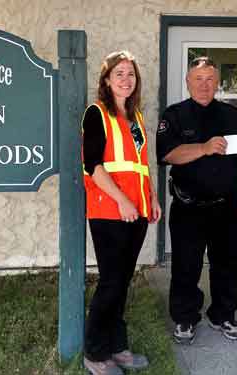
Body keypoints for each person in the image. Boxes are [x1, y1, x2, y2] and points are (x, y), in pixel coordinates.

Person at [157, 57, 237, 344]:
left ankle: (223, 314)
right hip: (188, 207)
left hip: (227, 206)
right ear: (188, 82)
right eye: (198, 79)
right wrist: (204, 147)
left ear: (217, 83)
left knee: (229, 264)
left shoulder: (232, 115)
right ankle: (185, 318)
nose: (204, 84)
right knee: (186, 266)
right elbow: (167, 154)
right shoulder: (174, 115)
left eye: (210, 79)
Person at [82, 50, 161, 375]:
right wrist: (123, 201)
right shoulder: (96, 113)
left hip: (138, 211)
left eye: (131, 74)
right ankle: (95, 354)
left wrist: (152, 198)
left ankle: (118, 346)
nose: (126, 80)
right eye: (119, 74)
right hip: (110, 211)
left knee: (122, 281)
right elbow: (93, 166)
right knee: (111, 283)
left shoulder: (136, 118)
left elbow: (141, 166)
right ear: (106, 80)